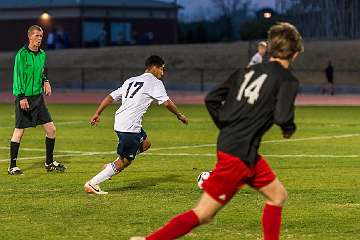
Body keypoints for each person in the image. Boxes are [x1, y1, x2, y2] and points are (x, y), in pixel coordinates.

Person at [130, 22, 304, 240]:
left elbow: (212, 98)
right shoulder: (288, 79)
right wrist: (289, 128)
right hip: (238, 156)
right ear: (295, 54)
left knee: (277, 196)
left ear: (269, 49)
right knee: (203, 214)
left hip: (243, 151)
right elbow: (282, 117)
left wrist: (226, 124)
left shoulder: (246, 72)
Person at [84, 55, 189, 195]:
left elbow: (111, 96)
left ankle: (113, 164)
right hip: (129, 127)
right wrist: (179, 115)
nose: (162, 73)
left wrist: (98, 113)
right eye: (162, 69)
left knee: (146, 143)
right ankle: (93, 183)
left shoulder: (131, 80)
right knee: (125, 161)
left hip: (123, 122)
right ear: (154, 67)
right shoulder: (155, 82)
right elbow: (167, 102)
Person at [8, 25, 66, 175]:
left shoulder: (42, 54)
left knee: (51, 130)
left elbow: (41, 72)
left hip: (38, 98)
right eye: (36, 36)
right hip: (24, 98)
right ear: (29, 37)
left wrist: (45, 81)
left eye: (41, 36)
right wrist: (21, 97)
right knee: (19, 132)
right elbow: (17, 77)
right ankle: (12, 166)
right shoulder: (21, 55)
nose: (39, 39)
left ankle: (49, 162)